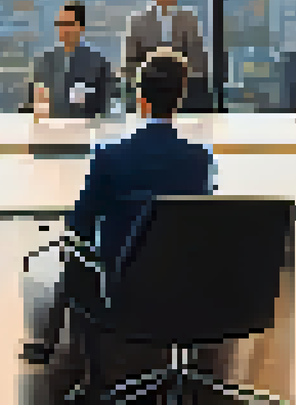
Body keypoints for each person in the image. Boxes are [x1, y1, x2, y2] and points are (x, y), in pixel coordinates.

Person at [22, 50, 216, 369]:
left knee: (75, 252)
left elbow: (79, 227)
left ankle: (61, 353)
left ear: (141, 98)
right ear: (179, 99)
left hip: (121, 288)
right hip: (183, 286)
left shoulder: (110, 155)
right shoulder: (200, 160)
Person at [125, 0, 211, 113]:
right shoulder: (137, 22)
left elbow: (198, 61)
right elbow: (130, 65)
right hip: (149, 96)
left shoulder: (189, 20)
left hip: (184, 96)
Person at [28, 1, 116, 118]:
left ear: (81, 27)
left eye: (69, 24)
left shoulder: (98, 62)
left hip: (84, 128)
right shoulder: (44, 61)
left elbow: (104, 105)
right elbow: (34, 99)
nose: (64, 29)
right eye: (61, 24)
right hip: (51, 128)